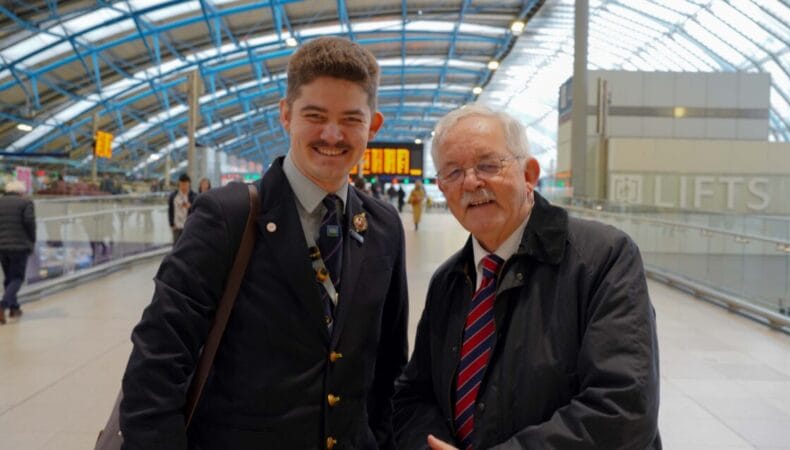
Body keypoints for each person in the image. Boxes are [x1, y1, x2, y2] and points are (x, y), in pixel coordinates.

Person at [120, 36, 409, 450]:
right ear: (286, 115)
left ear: (373, 125)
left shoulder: (383, 227)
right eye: (315, 115)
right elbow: (156, 362)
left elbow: (388, 367)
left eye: (351, 119)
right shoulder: (228, 216)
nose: (332, 134)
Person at [392, 104, 661, 450]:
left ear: (529, 175)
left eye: (488, 165)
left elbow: (624, 408)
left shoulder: (601, 259)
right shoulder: (448, 281)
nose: (471, 182)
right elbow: (415, 394)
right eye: (453, 173)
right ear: (443, 189)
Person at [0, 180, 36, 324]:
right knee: (17, 278)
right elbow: (29, 223)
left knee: (9, 278)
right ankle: (3, 305)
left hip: (1, 246)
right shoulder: (26, 203)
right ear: (21, 192)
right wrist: (32, 240)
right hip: (20, 246)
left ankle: (14, 308)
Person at [167, 173, 196, 244]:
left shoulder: (194, 196)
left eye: (185, 185)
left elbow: (197, 211)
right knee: (176, 246)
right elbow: (170, 210)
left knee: (188, 245)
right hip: (176, 227)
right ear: (179, 184)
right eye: (181, 185)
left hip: (189, 227)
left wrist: (191, 206)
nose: (184, 187)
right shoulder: (173, 196)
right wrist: (171, 224)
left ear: (189, 184)